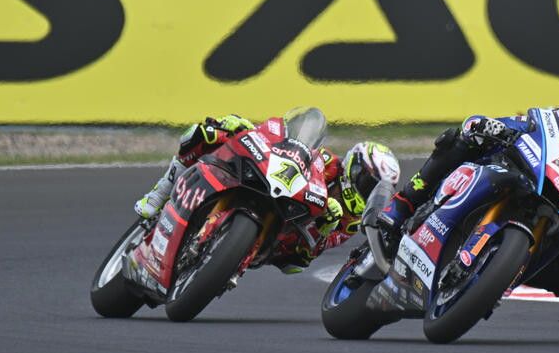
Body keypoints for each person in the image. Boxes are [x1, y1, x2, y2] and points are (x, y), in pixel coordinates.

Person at [377, 103, 559, 297]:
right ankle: (403, 203)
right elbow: (479, 123)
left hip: (542, 247)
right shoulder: (552, 130)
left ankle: (495, 279)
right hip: (509, 175)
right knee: (456, 140)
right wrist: (490, 127)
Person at [134, 108, 401, 273]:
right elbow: (290, 149)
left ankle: (230, 260)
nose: (367, 193)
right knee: (208, 133)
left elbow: (309, 254)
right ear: (355, 166)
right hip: (274, 188)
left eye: (375, 191)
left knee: (296, 264)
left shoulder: (352, 222)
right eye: (367, 183)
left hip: (284, 239)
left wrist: (324, 227)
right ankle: (161, 192)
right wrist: (251, 130)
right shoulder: (327, 162)